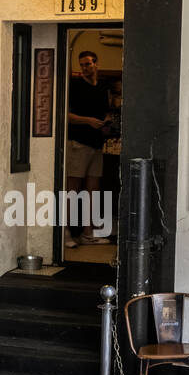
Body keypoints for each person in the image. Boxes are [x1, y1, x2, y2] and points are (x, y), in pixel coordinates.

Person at [65, 50, 111, 247]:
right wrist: (88, 121)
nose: (85, 68)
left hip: (96, 143)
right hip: (78, 142)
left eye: (88, 64)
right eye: (82, 64)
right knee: (72, 190)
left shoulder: (102, 87)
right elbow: (64, 114)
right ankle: (64, 233)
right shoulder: (75, 86)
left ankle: (88, 232)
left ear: (96, 64)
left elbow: (104, 112)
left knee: (93, 190)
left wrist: (106, 122)